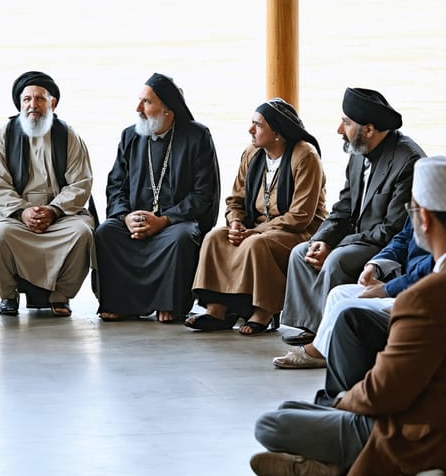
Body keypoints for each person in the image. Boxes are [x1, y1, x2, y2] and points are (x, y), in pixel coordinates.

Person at [251, 155, 446, 476]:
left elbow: (385, 392)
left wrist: (342, 402)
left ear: (426, 219)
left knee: (273, 422)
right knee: (352, 323)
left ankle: (358, 462)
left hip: (431, 432)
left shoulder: (426, 297)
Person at [280, 88, 425, 345]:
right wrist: (323, 238)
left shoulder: (407, 160)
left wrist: (336, 245)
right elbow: (344, 207)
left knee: (337, 258)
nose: (339, 129)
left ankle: (327, 339)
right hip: (358, 238)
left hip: (382, 244)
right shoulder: (357, 152)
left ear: (369, 130)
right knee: (302, 252)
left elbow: (393, 228)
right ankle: (310, 327)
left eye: (346, 122)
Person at [186, 98, 326, 333]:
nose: (251, 130)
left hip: (300, 232)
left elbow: (301, 215)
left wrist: (255, 231)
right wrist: (236, 224)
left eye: (258, 125)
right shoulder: (252, 153)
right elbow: (235, 200)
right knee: (215, 238)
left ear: (277, 132)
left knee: (255, 243)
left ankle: (264, 310)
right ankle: (217, 309)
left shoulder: (305, 156)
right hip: (256, 227)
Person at [95, 73, 221, 323]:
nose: (138, 109)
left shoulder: (197, 136)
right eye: (140, 101)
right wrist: (125, 216)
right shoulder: (130, 136)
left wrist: (164, 220)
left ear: (167, 110)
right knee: (106, 232)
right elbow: (116, 185)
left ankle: (170, 304)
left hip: (175, 221)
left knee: (182, 238)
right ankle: (121, 304)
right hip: (135, 219)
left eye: (147, 102)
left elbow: (203, 193)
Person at [0, 71, 95, 317]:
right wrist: (23, 212)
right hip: (14, 215)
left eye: (39, 99)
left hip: (61, 214)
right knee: (0, 234)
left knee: (82, 233)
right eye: (26, 100)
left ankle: (60, 296)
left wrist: (53, 211)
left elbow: (81, 182)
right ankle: (8, 295)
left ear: (52, 103)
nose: (32, 105)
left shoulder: (68, 136)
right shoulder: (2, 136)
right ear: (19, 103)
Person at [272, 216, 432, 369]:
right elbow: (402, 239)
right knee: (338, 293)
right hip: (407, 283)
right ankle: (323, 350)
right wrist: (374, 265)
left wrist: (386, 289)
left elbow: (433, 271)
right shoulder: (423, 205)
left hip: (426, 293)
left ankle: (319, 351)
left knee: (346, 304)